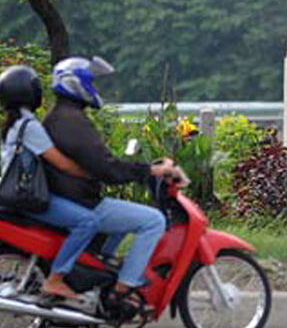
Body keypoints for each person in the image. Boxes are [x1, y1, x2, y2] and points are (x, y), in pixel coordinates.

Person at [42, 56, 174, 302]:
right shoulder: (71, 121)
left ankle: (95, 272)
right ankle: (122, 290)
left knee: (125, 219)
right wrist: (148, 171)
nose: (94, 88)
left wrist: (136, 170)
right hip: (79, 201)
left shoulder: (62, 116)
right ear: (76, 84)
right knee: (153, 220)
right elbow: (105, 168)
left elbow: (99, 163)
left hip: (70, 196)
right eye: (90, 82)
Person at [0, 65, 96, 299]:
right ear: (31, 95)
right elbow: (60, 163)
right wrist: (91, 173)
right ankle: (56, 279)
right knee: (88, 221)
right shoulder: (29, 126)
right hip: (24, 199)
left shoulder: (13, 124)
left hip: (12, 196)